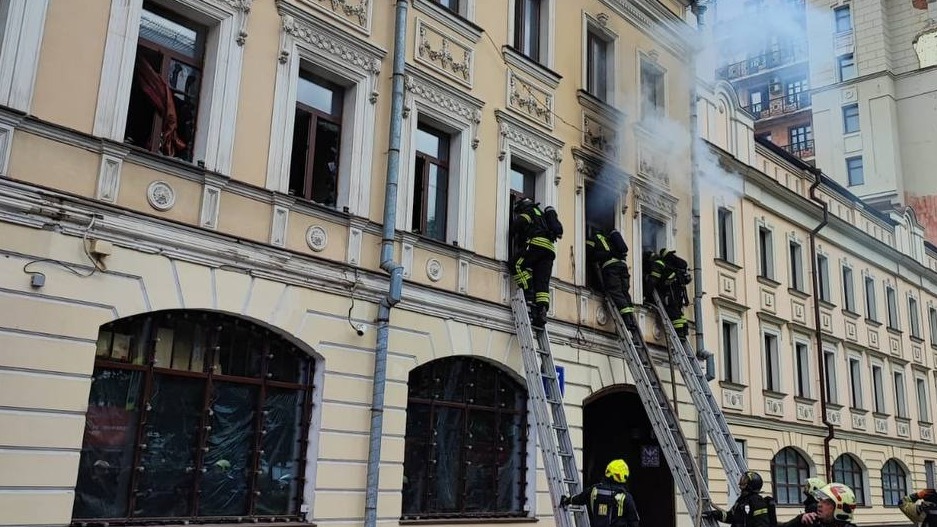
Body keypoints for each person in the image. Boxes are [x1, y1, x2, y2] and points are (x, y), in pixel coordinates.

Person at [510, 197, 562, 329]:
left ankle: (528, 289)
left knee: (516, 265)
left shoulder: (530, 211)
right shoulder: (544, 216)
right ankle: (541, 312)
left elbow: (519, 223)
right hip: (549, 250)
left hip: (536, 245)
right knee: (542, 283)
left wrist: (513, 231)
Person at [559, 459, 639, 527]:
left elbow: (579, 499)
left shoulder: (594, 490)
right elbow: (634, 522)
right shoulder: (625, 496)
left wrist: (566, 500)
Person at [586, 229, 637, 330]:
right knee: (624, 292)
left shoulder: (595, 238)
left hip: (611, 268)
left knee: (615, 291)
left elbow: (588, 253)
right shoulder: (612, 241)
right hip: (623, 267)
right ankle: (631, 320)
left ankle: (626, 320)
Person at [643, 248, 691, 337]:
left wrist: (646, 294)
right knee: (678, 310)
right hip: (678, 290)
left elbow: (653, 280)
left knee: (671, 309)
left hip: (671, 291)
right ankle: (683, 330)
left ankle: (679, 332)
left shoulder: (658, 264)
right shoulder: (669, 265)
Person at [703, 470, 775, 527]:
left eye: (744, 481)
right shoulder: (742, 500)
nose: (741, 483)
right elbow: (732, 517)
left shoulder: (758, 502)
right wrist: (715, 514)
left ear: (751, 484)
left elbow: (761, 523)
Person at [780, 482, 857, 527]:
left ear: (840, 508)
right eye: (819, 500)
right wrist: (799, 520)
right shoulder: (814, 523)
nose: (819, 505)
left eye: (825, 502)